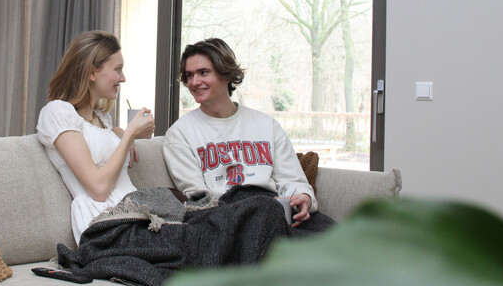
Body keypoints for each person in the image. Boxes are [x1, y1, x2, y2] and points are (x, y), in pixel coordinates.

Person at [163, 38, 317, 227]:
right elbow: (199, 200)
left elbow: (292, 180)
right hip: (226, 218)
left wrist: (303, 198)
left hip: (276, 211)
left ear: (226, 74)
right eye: (189, 75)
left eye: (203, 72)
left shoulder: (267, 125)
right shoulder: (179, 134)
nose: (194, 82)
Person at [37, 31, 155, 244]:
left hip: (136, 217)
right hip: (103, 226)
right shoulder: (57, 112)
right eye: (117, 69)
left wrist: (120, 134)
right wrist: (128, 136)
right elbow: (98, 189)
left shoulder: (103, 119)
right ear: (92, 72)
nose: (123, 78)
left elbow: (98, 140)